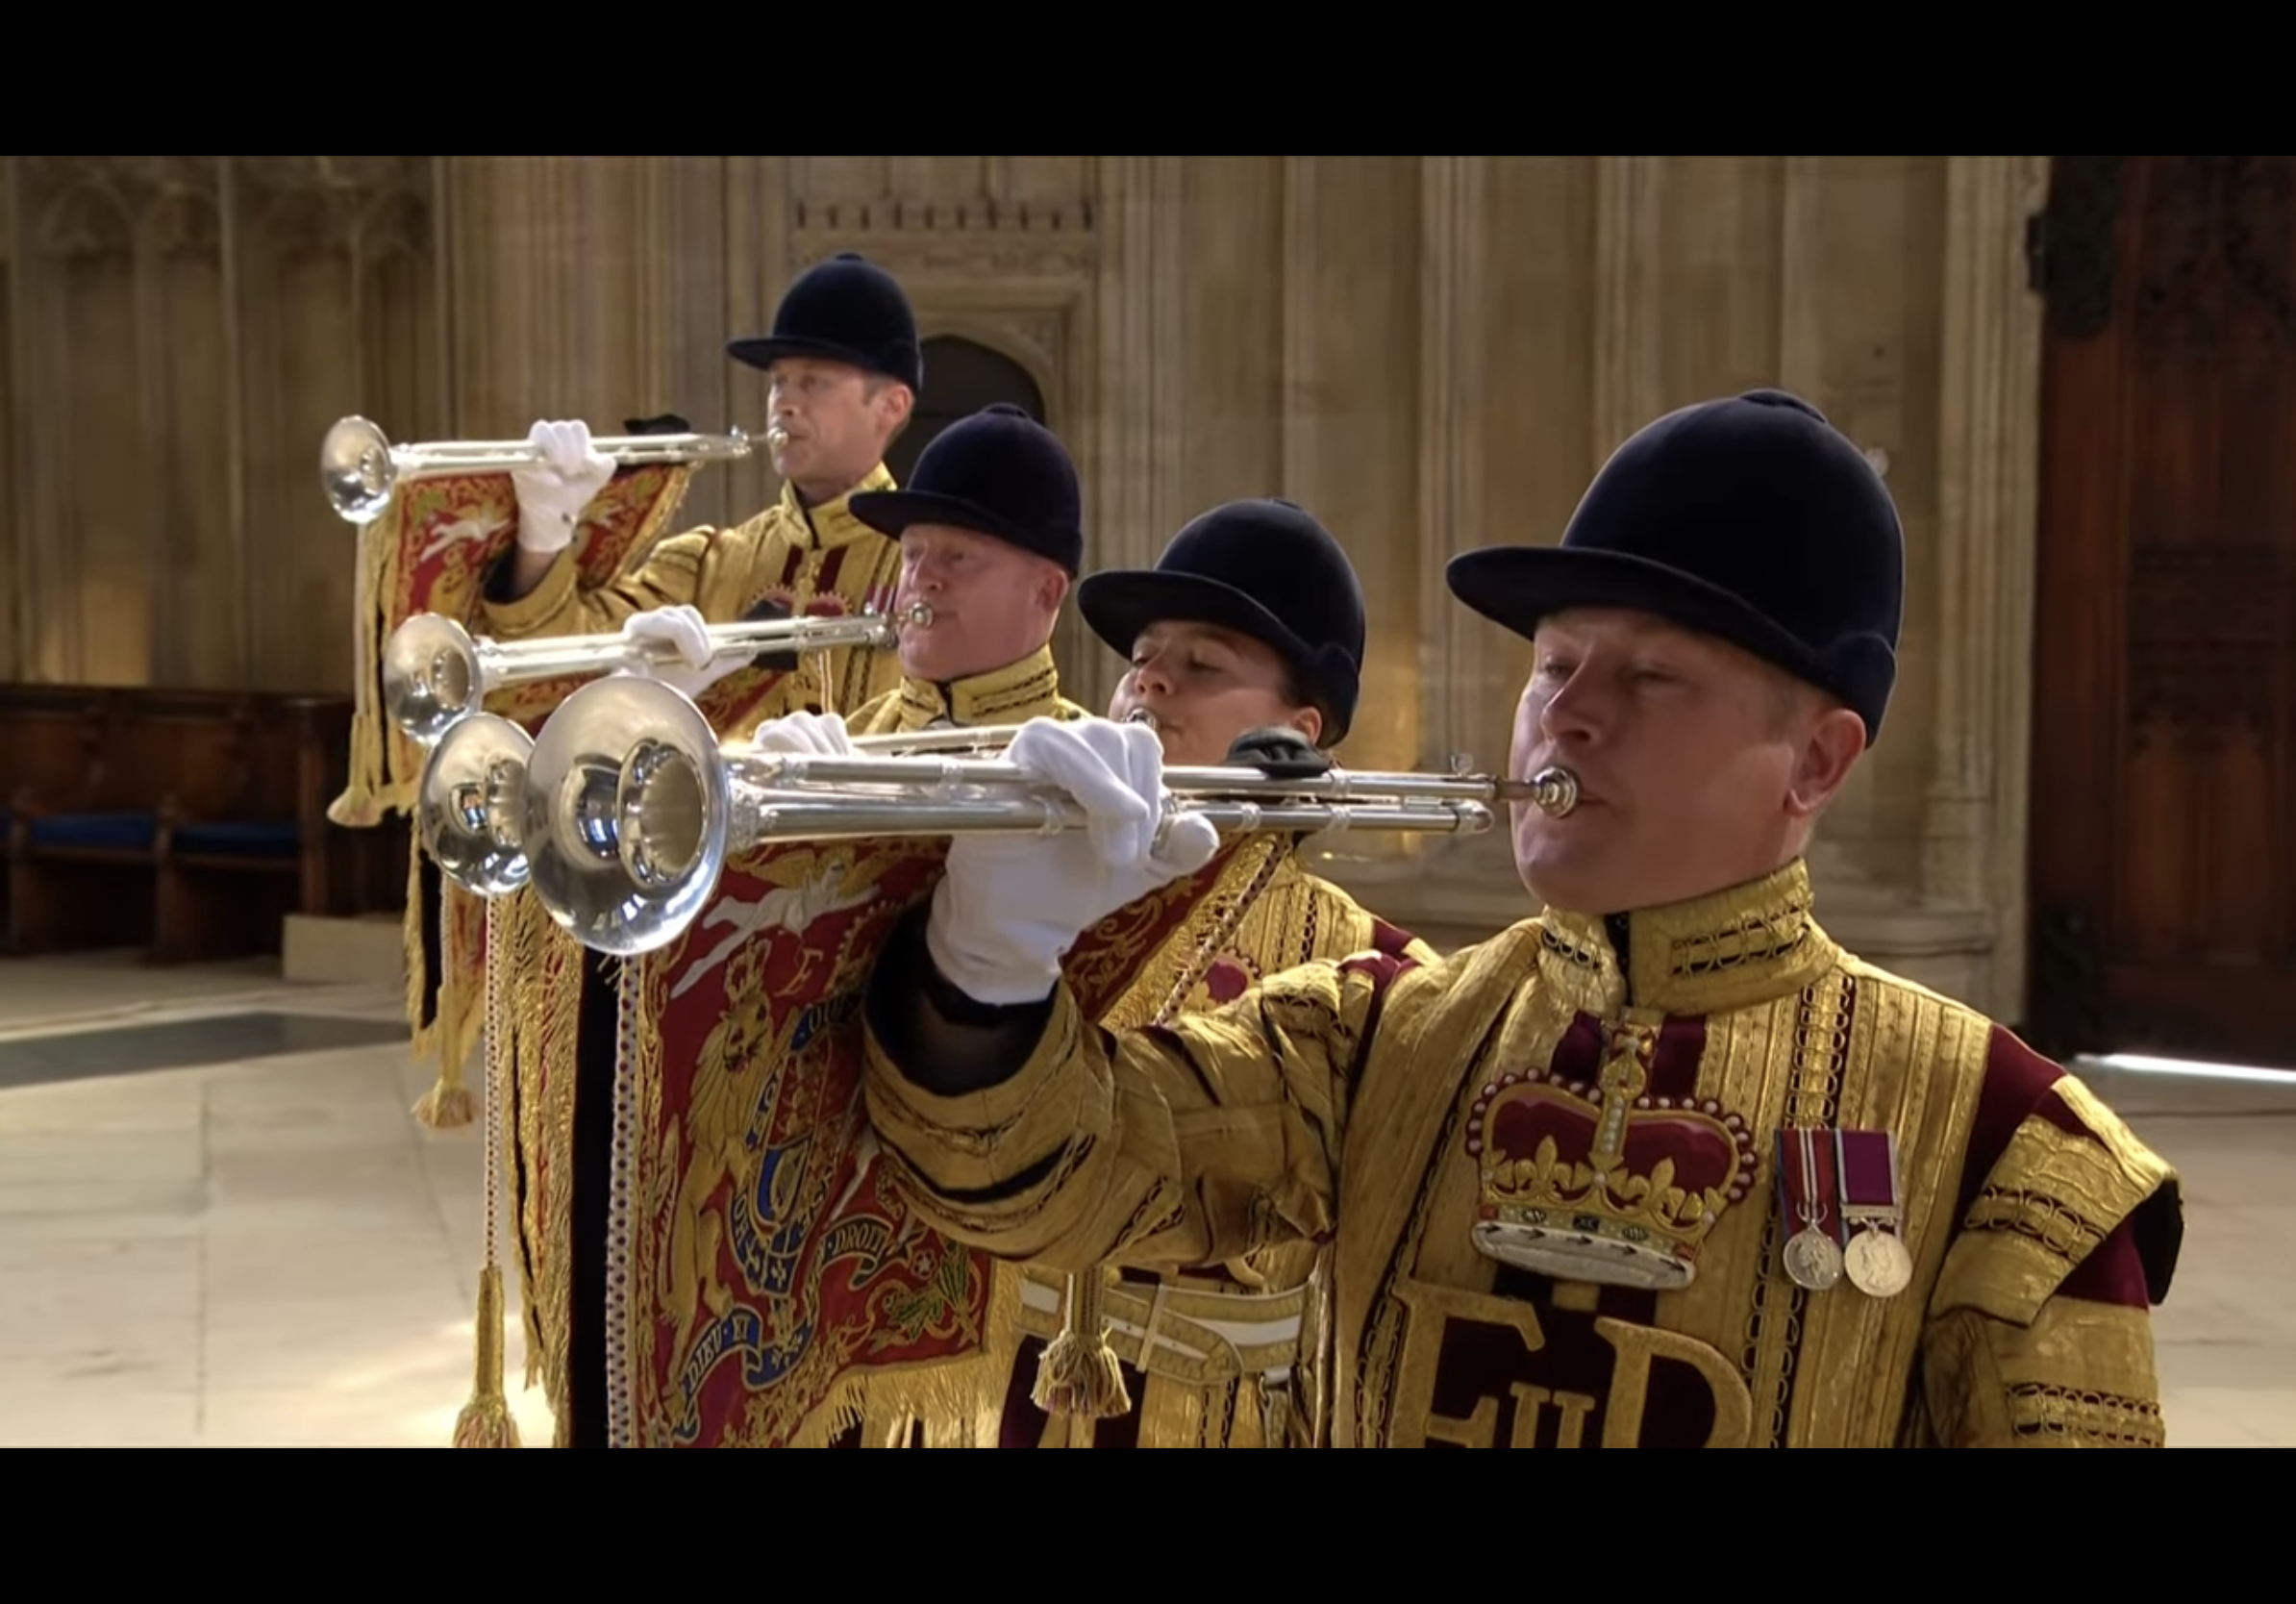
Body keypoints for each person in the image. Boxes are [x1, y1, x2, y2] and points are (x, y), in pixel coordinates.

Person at [854, 388, 2185, 1449]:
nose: (1567, 716)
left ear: (1818, 762)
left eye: (1649, 676)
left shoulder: (2007, 1151)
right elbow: (1054, 1175)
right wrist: (989, 962)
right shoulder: (1377, 1039)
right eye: (1553, 664)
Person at [999, 497, 1441, 1447]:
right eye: (1141, 658)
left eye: (1202, 665)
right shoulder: (1018, 898)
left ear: (1298, 733)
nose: (1148, 682)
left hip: (1217, 1419)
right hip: (998, 1402)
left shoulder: (1379, 976)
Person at [480, 251, 921, 717]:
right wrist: (544, 537)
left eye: (814, 383)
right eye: (779, 381)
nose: (784, 403)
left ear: (891, 405)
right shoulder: (708, 563)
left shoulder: (925, 569)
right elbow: (549, 675)